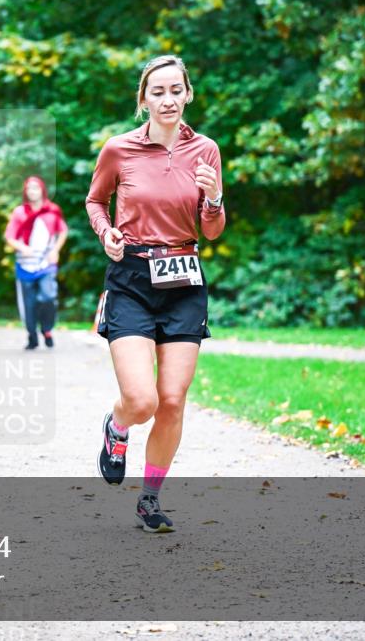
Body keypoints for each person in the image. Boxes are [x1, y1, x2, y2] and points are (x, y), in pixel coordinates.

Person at [86, 55, 225, 533]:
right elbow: (94, 199)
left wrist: (214, 198)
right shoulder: (119, 149)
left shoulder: (206, 150)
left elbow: (212, 230)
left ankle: (150, 498)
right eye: (157, 91)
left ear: (188, 94)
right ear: (143, 99)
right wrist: (105, 231)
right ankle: (117, 427)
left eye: (175, 90)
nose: (167, 100)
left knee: (172, 399)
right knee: (141, 399)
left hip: (185, 280)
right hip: (131, 279)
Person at [4, 176, 68, 350]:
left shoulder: (52, 210)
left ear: (42, 190)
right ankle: (32, 335)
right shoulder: (19, 212)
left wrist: (55, 250)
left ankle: (47, 329)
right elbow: (9, 236)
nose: (32, 191)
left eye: (36, 188)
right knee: (29, 304)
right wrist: (21, 247)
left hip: (46, 263)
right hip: (25, 265)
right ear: (25, 191)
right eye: (29, 188)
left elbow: (63, 231)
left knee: (48, 296)